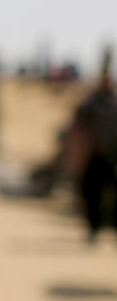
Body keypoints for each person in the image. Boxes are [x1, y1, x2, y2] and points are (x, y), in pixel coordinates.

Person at [65, 47, 117, 243]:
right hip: (92, 158)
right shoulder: (89, 105)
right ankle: (93, 229)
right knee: (91, 195)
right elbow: (78, 132)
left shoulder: (114, 104)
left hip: (111, 158)